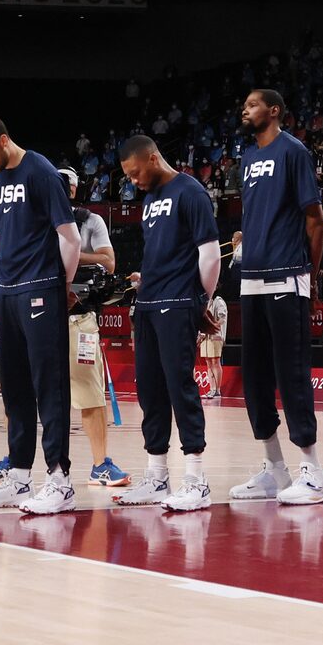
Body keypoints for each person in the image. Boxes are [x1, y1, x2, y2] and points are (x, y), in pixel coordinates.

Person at [0, 116, 80, 512]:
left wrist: (60, 285)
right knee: (13, 389)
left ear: (4, 139)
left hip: (41, 288)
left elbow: (71, 237)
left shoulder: (42, 172)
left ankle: (60, 480)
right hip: (7, 292)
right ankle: (19, 477)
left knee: (50, 385)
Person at [227, 88, 323, 504]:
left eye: (251, 104)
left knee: (291, 374)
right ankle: (274, 469)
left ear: (273, 111)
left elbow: (316, 220)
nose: (244, 109)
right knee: (253, 378)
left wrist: (311, 272)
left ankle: (314, 471)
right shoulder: (247, 159)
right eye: (244, 103)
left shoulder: (294, 152)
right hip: (250, 279)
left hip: (287, 277)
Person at [115, 135, 219, 511]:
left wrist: (199, 302)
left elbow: (209, 254)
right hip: (148, 303)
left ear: (153, 158)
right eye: (127, 176)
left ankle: (196, 478)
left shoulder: (191, 192)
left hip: (177, 303)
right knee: (151, 391)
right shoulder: (149, 200)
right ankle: (157, 476)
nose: (133, 181)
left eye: (135, 172)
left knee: (181, 388)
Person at [63, 167, 129, 489]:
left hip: (80, 315)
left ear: (74, 188)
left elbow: (109, 261)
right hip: (43, 314)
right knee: (23, 393)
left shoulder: (91, 221)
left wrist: (73, 254)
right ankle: (16, 464)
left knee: (90, 391)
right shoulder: (37, 220)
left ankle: (100, 465)